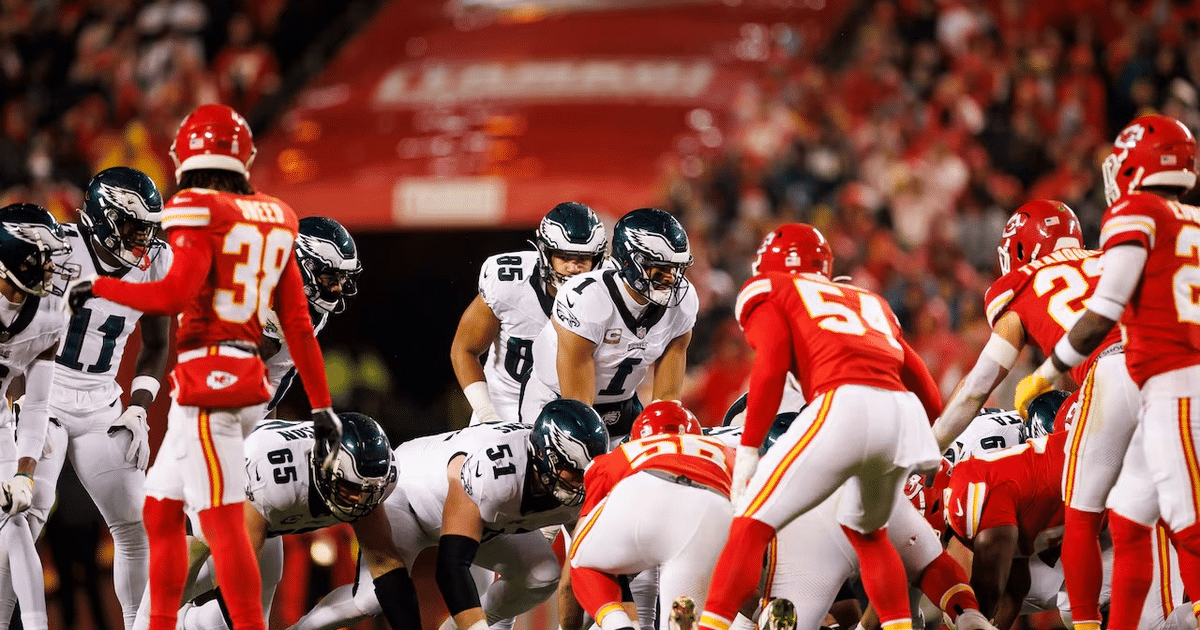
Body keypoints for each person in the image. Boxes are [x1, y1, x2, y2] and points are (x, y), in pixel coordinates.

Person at [65, 103, 339, 630]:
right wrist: (322, 405)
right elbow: (301, 328)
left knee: (221, 523)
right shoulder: (279, 218)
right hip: (242, 391)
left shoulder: (196, 208)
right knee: (162, 512)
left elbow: (173, 292)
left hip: (212, 381)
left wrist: (97, 286)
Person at [696, 223, 948, 630]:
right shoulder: (870, 300)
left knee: (751, 522)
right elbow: (929, 394)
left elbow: (772, 361)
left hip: (842, 403)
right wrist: (920, 437)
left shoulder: (771, 288)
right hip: (903, 414)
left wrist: (748, 448)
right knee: (869, 532)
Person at [1015, 113, 1200, 630]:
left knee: (1173, 519)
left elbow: (1103, 311)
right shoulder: (1193, 221)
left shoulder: (1136, 212)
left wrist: (1049, 370)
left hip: (1160, 381)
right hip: (1174, 374)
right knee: (1134, 512)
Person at [930, 198, 1133, 630]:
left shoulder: (1022, 282)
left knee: (1086, 517)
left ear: (1019, 250)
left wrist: (927, 449)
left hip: (1110, 382)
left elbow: (975, 390)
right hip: (1171, 364)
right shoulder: (1110, 259)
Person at [288, 398, 609, 630]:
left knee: (541, 574)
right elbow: (451, 567)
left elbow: (585, 566)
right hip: (410, 500)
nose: (581, 481)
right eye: (572, 470)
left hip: (483, 521)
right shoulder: (497, 472)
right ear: (545, 456)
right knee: (370, 600)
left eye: (587, 471)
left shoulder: (576, 483)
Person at [12, 166, 172, 630]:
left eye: (148, 228)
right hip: (45, 386)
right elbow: (14, 331)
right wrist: (18, 399)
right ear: (104, 217)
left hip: (102, 399)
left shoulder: (155, 262)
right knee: (25, 515)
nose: (143, 239)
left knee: (135, 525)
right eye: (132, 226)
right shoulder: (57, 248)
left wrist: (140, 406)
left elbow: (157, 343)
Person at [133, 412, 417, 630]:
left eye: (370, 493)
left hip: (255, 507)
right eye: (350, 490)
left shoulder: (369, 480)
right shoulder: (274, 480)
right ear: (325, 468)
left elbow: (386, 567)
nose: (360, 502)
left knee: (229, 620)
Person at [521, 207, 697, 437]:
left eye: (675, 268)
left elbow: (666, 402)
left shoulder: (683, 300)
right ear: (628, 262)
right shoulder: (589, 299)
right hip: (557, 403)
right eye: (660, 267)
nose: (671, 278)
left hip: (624, 404)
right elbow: (578, 407)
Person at [569, 400, 733, 630]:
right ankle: (749, 617)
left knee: (581, 560)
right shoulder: (723, 450)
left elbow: (583, 530)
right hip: (710, 509)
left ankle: (617, 625)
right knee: (699, 605)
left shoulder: (624, 452)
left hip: (642, 492)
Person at [451, 201, 606, 424]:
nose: (574, 268)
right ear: (546, 253)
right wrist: (486, 412)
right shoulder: (508, 282)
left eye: (582, 259)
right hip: (506, 407)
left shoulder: (611, 291)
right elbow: (464, 350)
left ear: (597, 260)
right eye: (564, 257)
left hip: (577, 409)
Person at [0, 202, 75, 630]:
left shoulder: (49, 313)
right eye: (39, 257)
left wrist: (25, 474)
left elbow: (39, 401)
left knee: (13, 512)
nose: (50, 268)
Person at [262, 215, 361, 413]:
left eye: (342, 279)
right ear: (303, 266)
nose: (338, 288)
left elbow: (274, 374)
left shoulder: (314, 307)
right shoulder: (268, 291)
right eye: (332, 278)